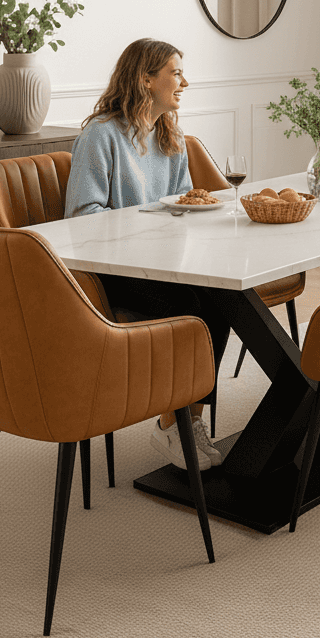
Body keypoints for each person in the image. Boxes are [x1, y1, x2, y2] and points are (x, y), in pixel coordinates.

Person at [65, 37, 229, 471]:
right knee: (191, 307)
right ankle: (170, 424)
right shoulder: (101, 136)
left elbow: (180, 206)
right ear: (146, 80)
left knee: (224, 298)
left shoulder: (167, 135)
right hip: (108, 273)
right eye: (176, 73)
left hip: (161, 265)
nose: (185, 82)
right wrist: (156, 222)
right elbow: (82, 218)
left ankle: (186, 420)